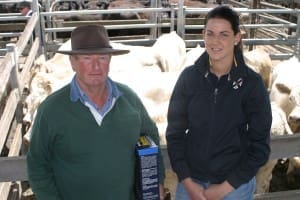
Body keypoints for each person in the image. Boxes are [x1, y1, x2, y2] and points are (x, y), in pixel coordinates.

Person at [27, 24, 166, 200]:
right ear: (73, 62)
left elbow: (150, 136)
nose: (96, 66)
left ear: (110, 60)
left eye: (102, 57)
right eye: (86, 58)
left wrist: (156, 182)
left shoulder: (129, 100)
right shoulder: (51, 110)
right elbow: (37, 165)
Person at [166, 5, 272, 200]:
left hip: (234, 187)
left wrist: (225, 188)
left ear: (237, 38)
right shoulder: (189, 78)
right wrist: (187, 181)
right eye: (210, 34)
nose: (216, 41)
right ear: (203, 35)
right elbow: (174, 133)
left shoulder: (252, 84)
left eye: (224, 34)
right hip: (191, 185)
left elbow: (260, 146)